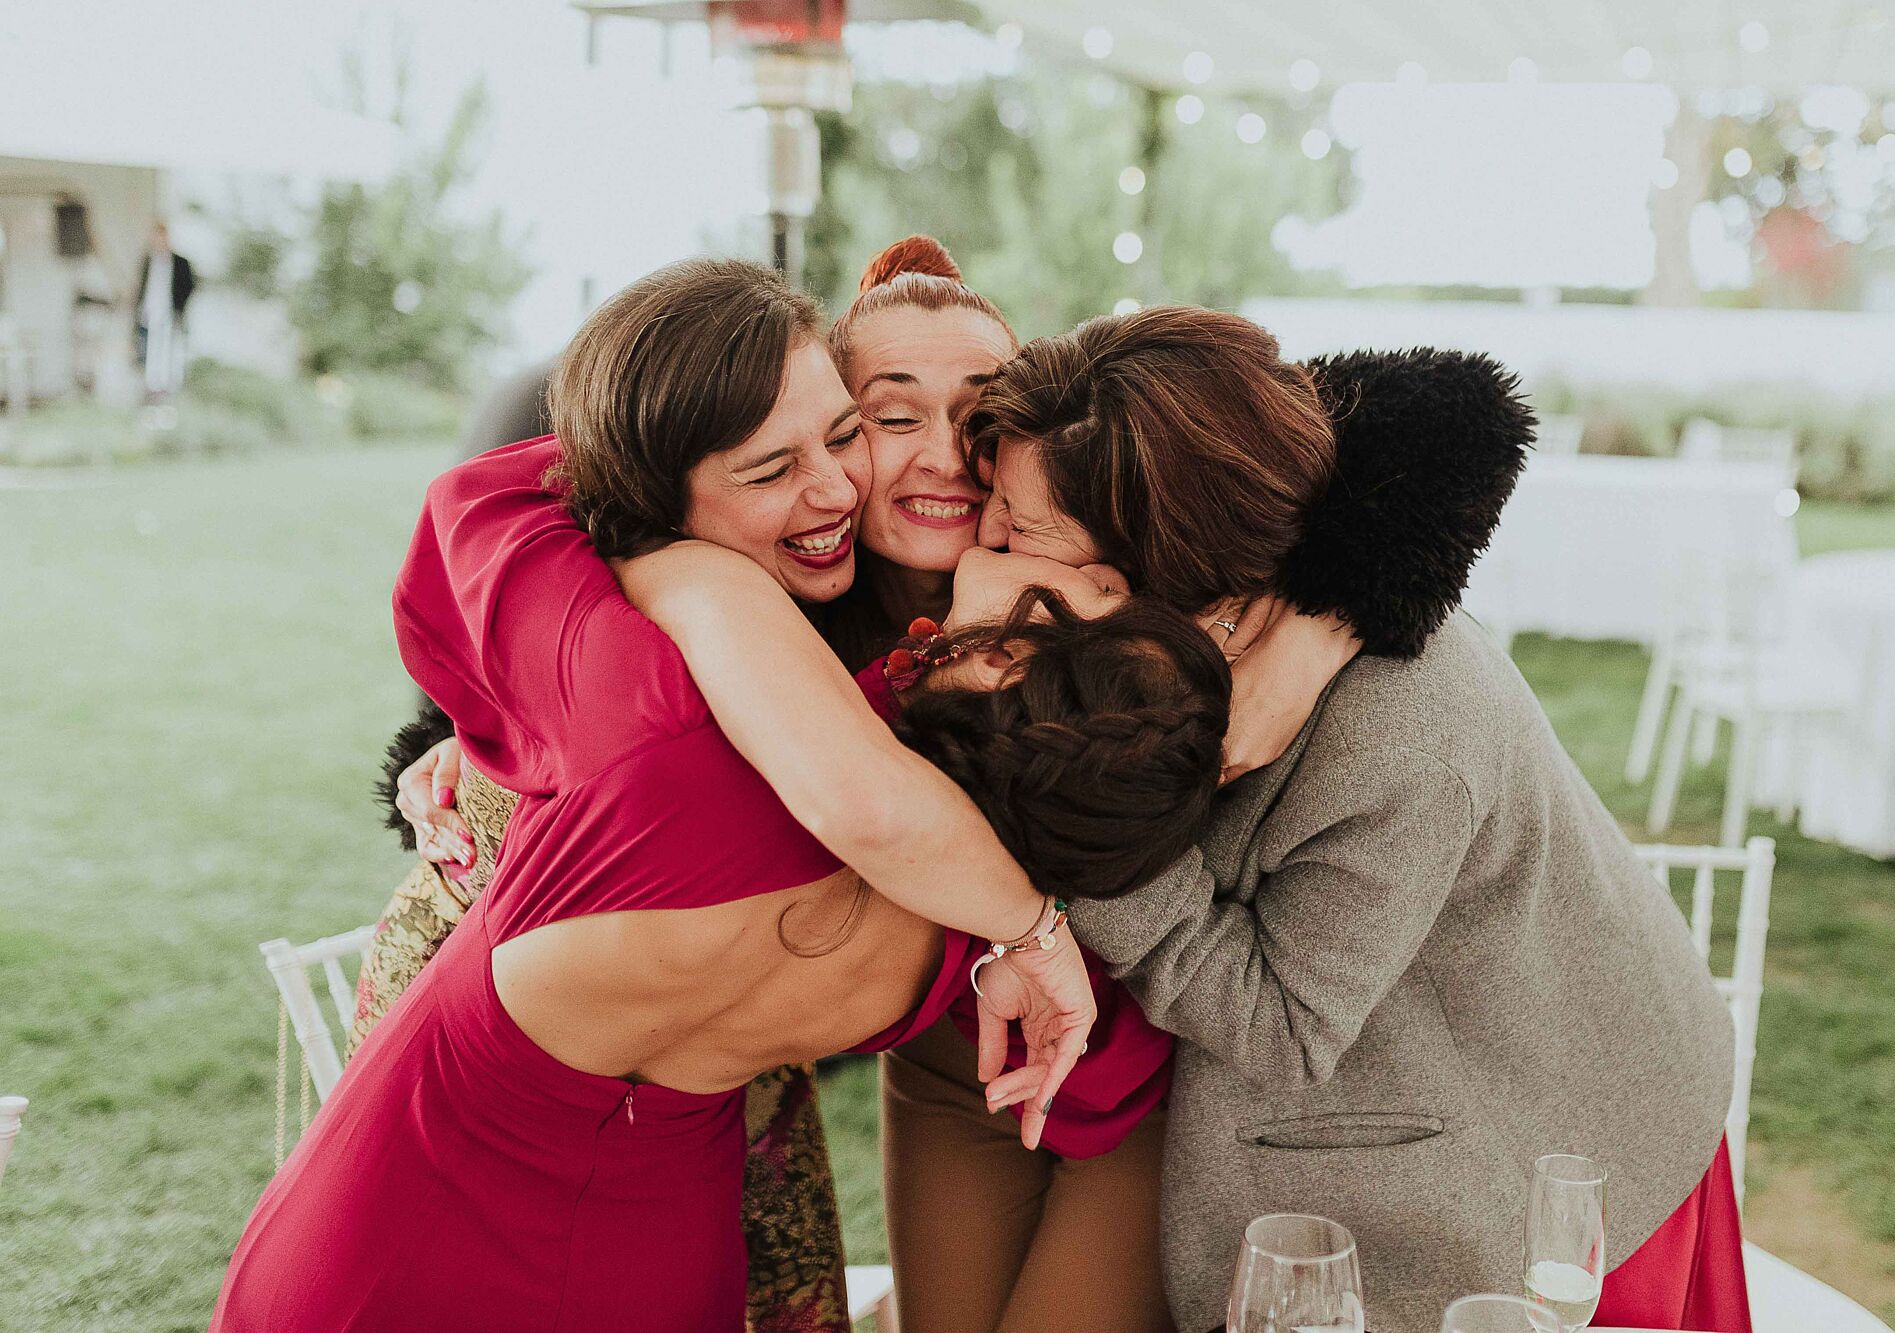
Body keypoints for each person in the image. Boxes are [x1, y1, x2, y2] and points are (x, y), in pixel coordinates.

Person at [213, 258, 1232, 1332]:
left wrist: (687, 561)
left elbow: (505, 502)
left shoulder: (655, 698)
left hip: (506, 1220)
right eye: (856, 427)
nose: (845, 484)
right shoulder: (949, 929)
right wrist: (1029, 927)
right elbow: (876, 809)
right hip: (535, 1226)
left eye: (841, 437)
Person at [965, 310, 1753, 1333]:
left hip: (1549, 1137)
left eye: (1013, 527)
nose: (978, 540)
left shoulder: (1402, 736)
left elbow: (1281, 1023)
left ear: (1144, 568)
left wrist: (1091, 834)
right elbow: (1415, 403)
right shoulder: (1223, 561)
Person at [133, 222, 195, 404]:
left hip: (169, 315)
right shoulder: (148, 261)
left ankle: (164, 394)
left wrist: (178, 308)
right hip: (149, 314)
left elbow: (188, 287)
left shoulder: (180, 263)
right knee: (149, 353)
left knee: (167, 355)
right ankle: (151, 393)